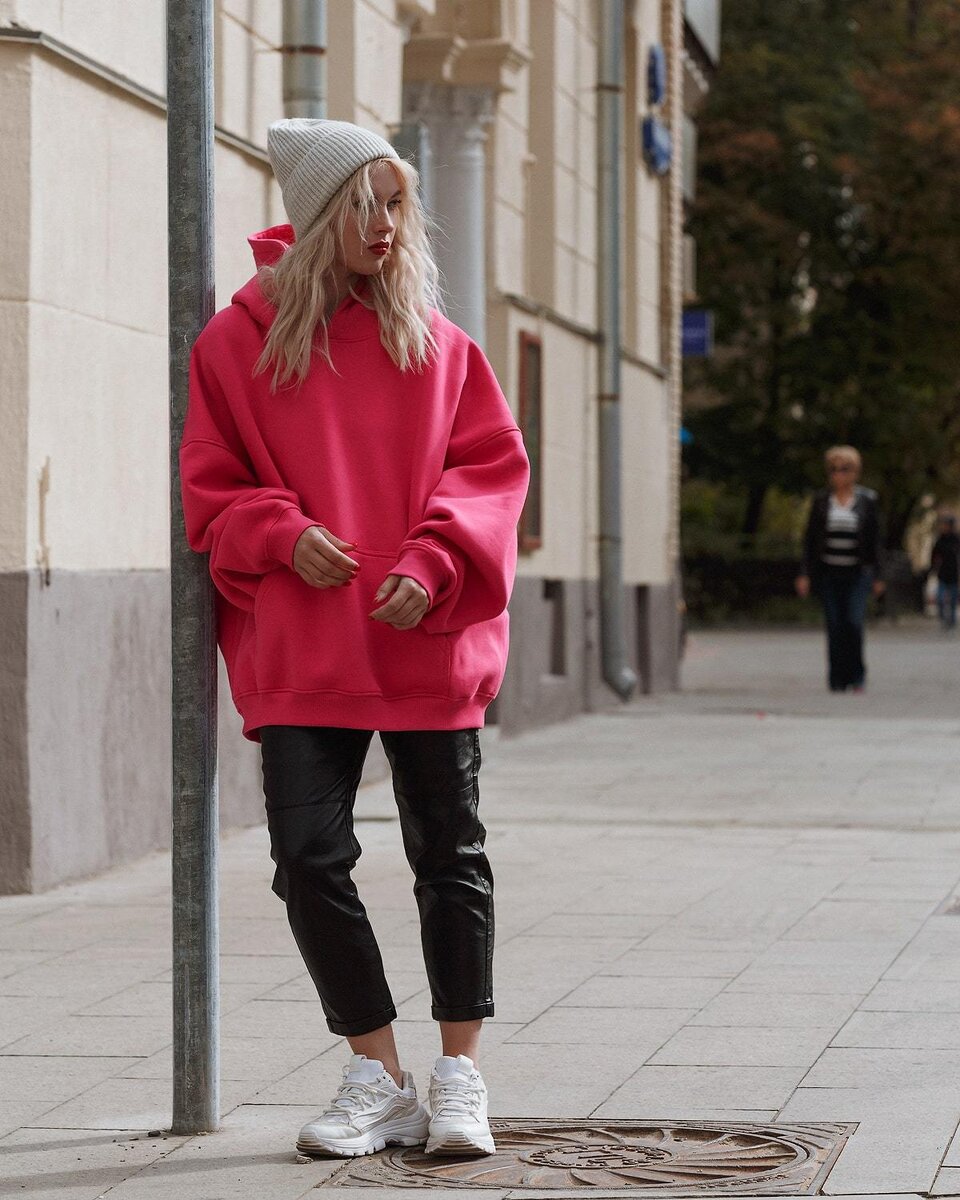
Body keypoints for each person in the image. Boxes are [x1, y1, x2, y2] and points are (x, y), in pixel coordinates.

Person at [179, 118, 530, 1159]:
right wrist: (282, 534)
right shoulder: (234, 347)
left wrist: (433, 562)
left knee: (450, 854)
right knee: (307, 859)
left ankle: (460, 1076)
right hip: (303, 645)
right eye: (364, 204)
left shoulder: (440, 346)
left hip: (425, 640)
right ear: (318, 210)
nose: (385, 224)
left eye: (396, 202)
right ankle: (378, 1076)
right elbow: (211, 491)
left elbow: (491, 472)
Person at [795, 446, 884, 692]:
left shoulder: (867, 501)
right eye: (833, 470)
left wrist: (878, 575)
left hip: (857, 573)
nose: (838, 475)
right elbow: (810, 540)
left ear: (855, 472)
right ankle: (837, 678)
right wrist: (804, 573)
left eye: (844, 469)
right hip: (828, 573)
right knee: (834, 625)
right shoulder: (822, 501)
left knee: (853, 622)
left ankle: (857, 675)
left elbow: (875, 541)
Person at [930, 512, 960, 631]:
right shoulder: (940, 540)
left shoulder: (956, 540)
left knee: (953, 599)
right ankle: (942, 617)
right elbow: (934, 555)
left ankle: (952, 620)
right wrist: (933, 567)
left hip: (954, 574)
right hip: (942, 574)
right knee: (940, 598)